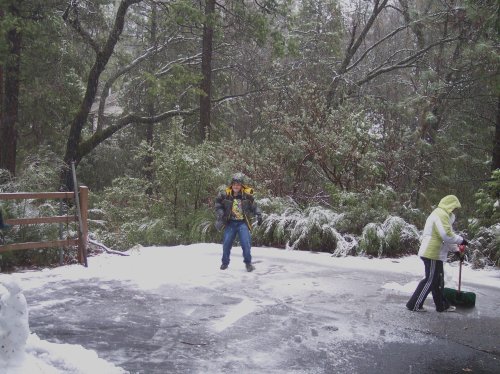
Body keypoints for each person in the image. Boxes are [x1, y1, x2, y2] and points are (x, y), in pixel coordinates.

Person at [406, 195, 467, 313]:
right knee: (430, 280)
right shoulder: (440, 214)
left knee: (437, 281)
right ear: (449, 205)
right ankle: (414, 304)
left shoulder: (443, 216)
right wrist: (461, 240)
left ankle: (442, 305)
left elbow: (446, 238)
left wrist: (457, 252)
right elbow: (447, 236)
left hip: (436, 253)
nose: (454, 210)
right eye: (454, 208)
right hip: (432, 252)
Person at [215, 173, 262, 272]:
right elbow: (218, 204)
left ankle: (248, 264)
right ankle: (224, 263)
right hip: (230, 223)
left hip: (242, 223)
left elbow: (254, 206)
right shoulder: (225, 194)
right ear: (231, 185)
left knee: (246, 243)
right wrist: (221, 213)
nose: (236, 186)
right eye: (234, 184)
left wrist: (258, 214)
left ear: (241, 186)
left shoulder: (247, 196)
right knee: (226, 243)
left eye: (238, 184)